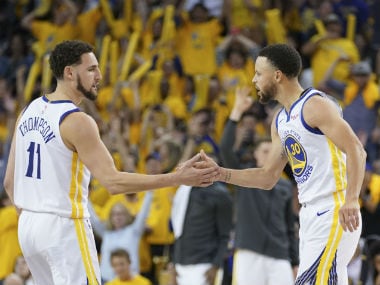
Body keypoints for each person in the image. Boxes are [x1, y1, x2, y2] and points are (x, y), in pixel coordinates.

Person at [3, 40, 219, 285]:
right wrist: (177, 178)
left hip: (30, 226)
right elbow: (113, 182)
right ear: (69, 72)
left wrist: (35, 220)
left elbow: (10, 183)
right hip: (62, 225)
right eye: (92, 69)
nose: (100, 75)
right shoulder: (76, 121)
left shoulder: (27, 111)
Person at [201, 43, 367, 284]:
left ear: (277, 76)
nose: (254, 79)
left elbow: (357, 151)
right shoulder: (280, 121)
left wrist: (351, 198)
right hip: (310, 215)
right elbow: (267, 177)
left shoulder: (315, 105)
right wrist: (220, 173)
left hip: (335, 208)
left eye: (259, 73)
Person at [220, 93, 299, 284]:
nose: (269, 155)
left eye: (272, 151)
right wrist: (237, 112)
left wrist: (295, 261)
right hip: (249, 251)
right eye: (264, 151)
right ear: (254, 155)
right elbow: (225, 150)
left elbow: (290, 226)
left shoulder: (286, 185)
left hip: (279, 254)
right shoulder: (244, 176)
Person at [170, 170, 233, 285]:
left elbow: (225, 235)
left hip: (205, 266)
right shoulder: (184, 190)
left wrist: (216, 265)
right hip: (180, 265)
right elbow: (178, 231)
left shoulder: (221, 194)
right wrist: (174, 263)